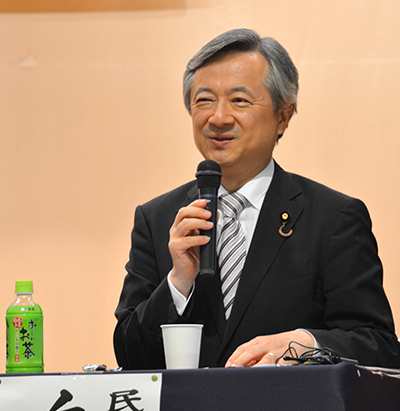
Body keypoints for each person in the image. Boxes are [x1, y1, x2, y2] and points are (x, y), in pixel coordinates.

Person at [114, 28, 399, 369]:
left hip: (287, 404)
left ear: (283, 116)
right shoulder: (158, 219)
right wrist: (178, 282)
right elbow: (128, 354)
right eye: (204, 100)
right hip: (185, 405)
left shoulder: (333, 218)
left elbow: (379, 346)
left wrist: (304, 344)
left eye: (239, 100)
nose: (218, 118)